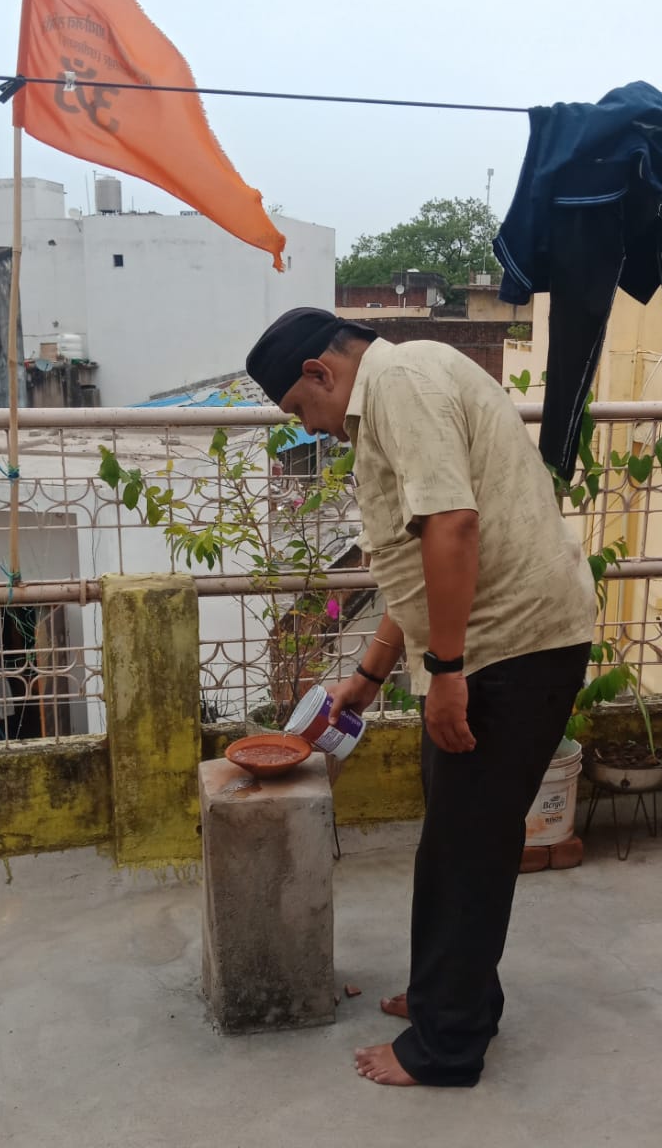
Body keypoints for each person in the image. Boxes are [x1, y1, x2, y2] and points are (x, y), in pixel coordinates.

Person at [246, 307, 595, 1089]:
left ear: (320, 372)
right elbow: (418, 559)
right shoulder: (401, 384)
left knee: (466, 848)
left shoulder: (400, 383)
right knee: (458, 833)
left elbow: (453, 528)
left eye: (301, 410)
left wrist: (446, 671)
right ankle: (452, 992)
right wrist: (370, 675)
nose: (312, 429)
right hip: (502, 642)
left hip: (511, 646)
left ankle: (447, 1045)